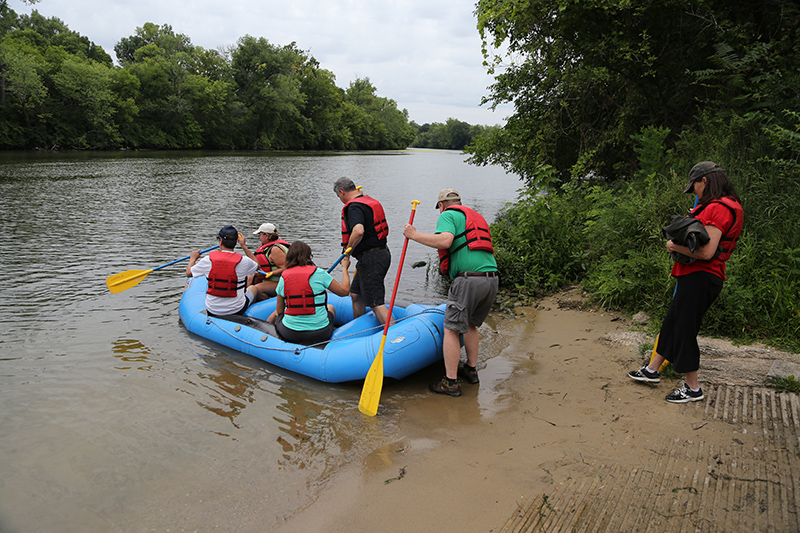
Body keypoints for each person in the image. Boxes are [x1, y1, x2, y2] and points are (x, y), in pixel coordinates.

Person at [628, 161, 744, 403]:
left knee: (684, 330)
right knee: (672, 322)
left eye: (696, 187)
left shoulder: (719, 209)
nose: (695, 192)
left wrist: (675, 246)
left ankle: (693, 388)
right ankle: (652, 370)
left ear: (706, 181)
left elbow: (706, 252)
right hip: (695, 277)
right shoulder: (714, 205)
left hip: (702, 277)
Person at [403, 188, 499, 397]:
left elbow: (445, 241)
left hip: (469, 280)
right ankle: (471, 370)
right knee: (471, 325)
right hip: (491, 278)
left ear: (442, 205)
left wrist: (414, 235)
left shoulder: (448, 214)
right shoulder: (474, 216)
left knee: (451, 329)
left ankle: (451, 382)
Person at [267, 241, 351, 345]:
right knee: (331, 308)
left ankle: (264, 333)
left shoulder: (284, 276)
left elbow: (279, 310)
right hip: (320, 333)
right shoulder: (319, 273)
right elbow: (345, 292)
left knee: (277, 314)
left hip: (291, 333)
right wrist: (344, 267)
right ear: (308, 256)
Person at [333, 177, 392, 325]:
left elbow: (358, 231)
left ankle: (393, 337)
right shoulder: (366, 201)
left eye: (338, 196)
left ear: (341, 192)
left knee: (375, 302)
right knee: (355, 294)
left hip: (373, 257)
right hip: (376, 254)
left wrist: (347, 251)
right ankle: (358, 327)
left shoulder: (354, 207)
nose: (340, 199)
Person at [186, 225, 260, 317]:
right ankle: (249, 315)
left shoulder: (207, 260)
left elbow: (189, 273)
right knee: (253, 287)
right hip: (237, 309)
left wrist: (192, 258)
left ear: (220, 241)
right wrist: (244, 246)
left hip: (212, 309)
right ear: (236, 242)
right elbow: (257, 265)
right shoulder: (244, 261)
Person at [247, 222, 290, 301]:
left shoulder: (275, 249)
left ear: (266, 235)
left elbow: (285, 268)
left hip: (280, 282)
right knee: (249, 278)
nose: (259, 237)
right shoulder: (268, 248)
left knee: (256, 289)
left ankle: (272, 307)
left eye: (260, 235)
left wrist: (270, 274)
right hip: (270, 281)